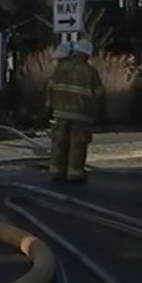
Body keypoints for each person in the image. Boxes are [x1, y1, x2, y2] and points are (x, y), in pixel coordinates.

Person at [47, 40, 104, 184]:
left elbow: (50, 88)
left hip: (60, 113)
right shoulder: (90, 71)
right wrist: (99, 111)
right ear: (87, 54)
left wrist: (50, 106)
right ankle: (74, 174)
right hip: (81, 114)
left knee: (59, 143)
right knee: (77, 145)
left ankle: (56, 172)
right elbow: (99, 94)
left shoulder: (60, 68)